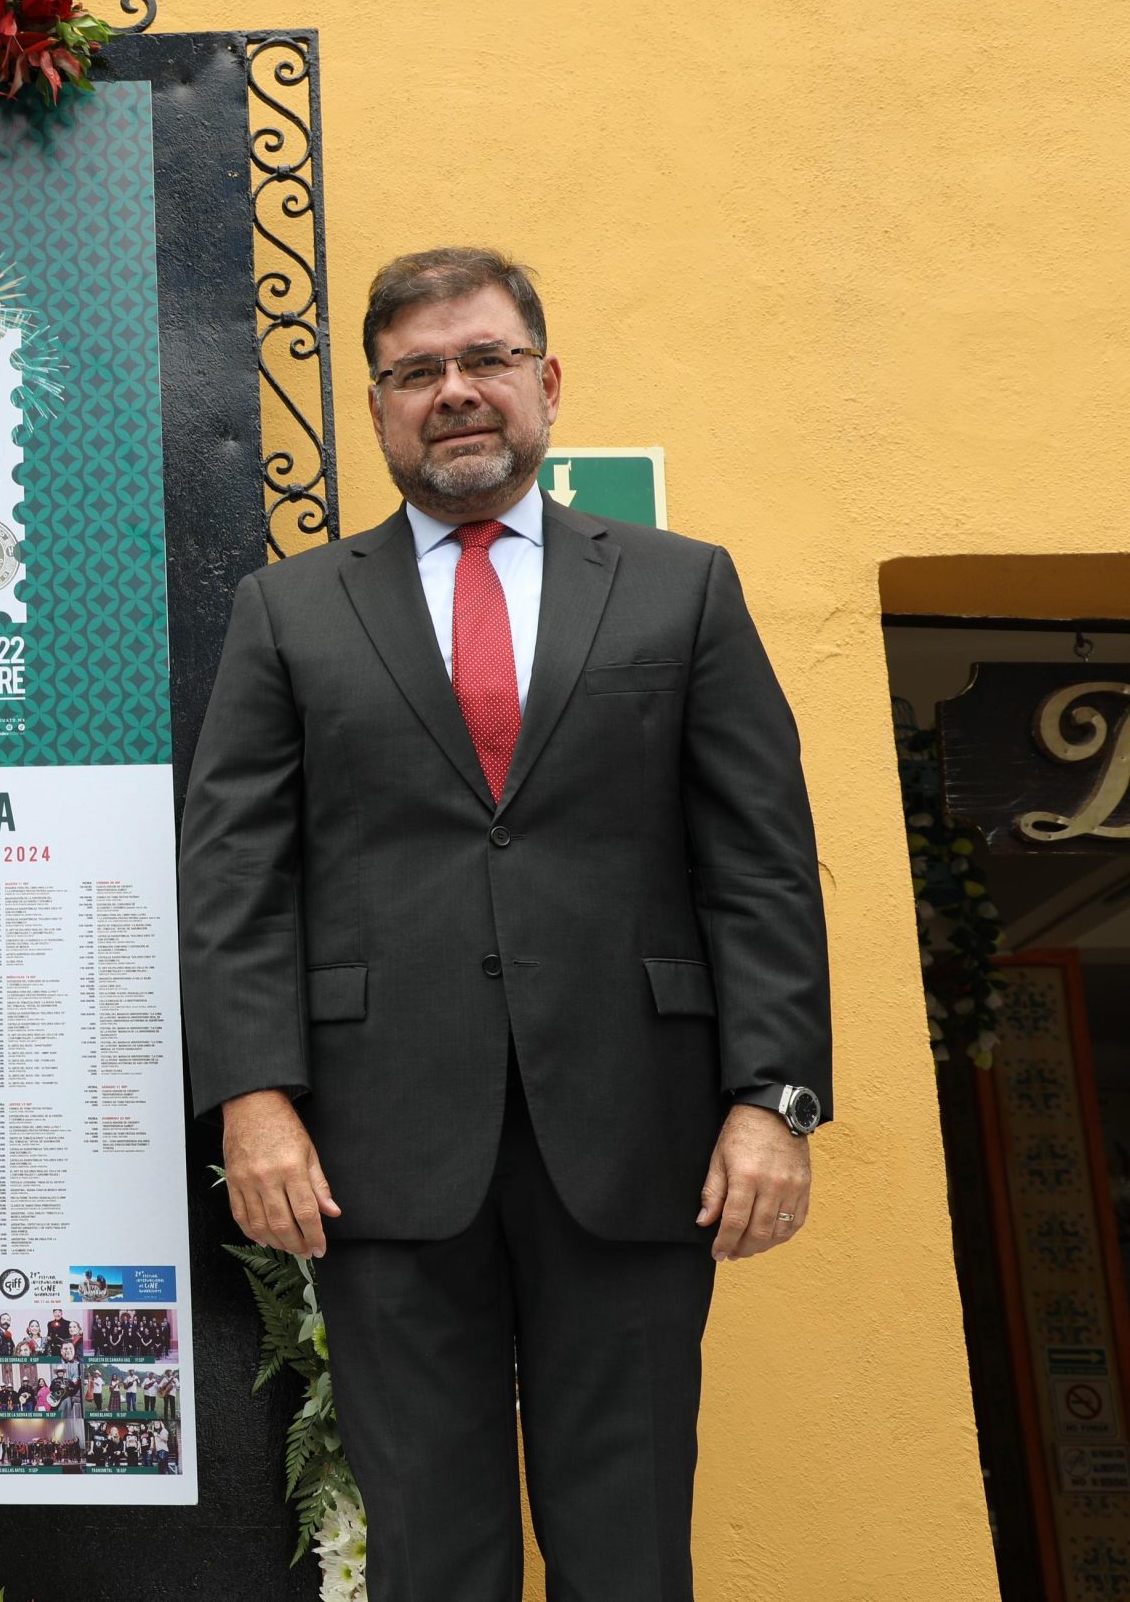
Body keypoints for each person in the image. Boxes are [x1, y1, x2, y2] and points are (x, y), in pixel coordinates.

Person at [180, 248, 831, 1602]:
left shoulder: (681, 585)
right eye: (417, 371)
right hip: (378, 1148)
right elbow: (236, 876)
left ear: (546, 379)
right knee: (433, 1547)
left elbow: (759, 864)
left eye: (482, 359)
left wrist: (774, 1099)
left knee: (631, 1540)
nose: (455, 392)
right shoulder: (289, 609)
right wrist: (253, 1098)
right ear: (375, 408)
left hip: (640, 1131)